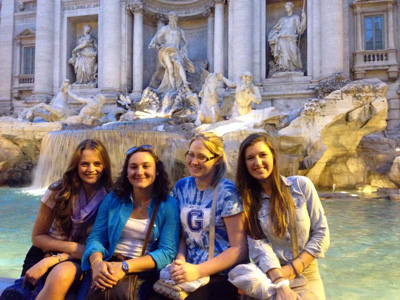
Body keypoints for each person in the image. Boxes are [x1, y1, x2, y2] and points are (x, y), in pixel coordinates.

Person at [2, 139, 112, 300]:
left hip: (81, 260)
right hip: (43, 254)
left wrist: (58, 258)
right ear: (76, 165)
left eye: (97, 163)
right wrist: (73, 248)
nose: (91, 169)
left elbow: (104, 245)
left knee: (62, 275)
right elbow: (37, 236)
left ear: (105, 166)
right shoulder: (59, 191)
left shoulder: (111, 198)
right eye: (84, 164)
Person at [149, 132, 247, 300]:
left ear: (216, 159)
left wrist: (198, 271)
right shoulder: (182, 187)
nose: (194, 162)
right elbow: (183, 236)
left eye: (202, 157)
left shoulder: (227, 192)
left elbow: (239, 248)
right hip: (188, 269)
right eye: (191, 155)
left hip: (220, 273)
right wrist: (179, 261)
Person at [236, 133, 329, 300]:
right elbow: (258, 244)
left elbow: (321, 233)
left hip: (307, 272)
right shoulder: (247, 200)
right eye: (250, 158)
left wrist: (292, 269)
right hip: (270, 274)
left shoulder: (301, 186)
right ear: (244, 164)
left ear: (273, 156)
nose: (257, 162)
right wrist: (279, 280)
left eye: (262, 155)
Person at [82, 145, 180, 300]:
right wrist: (96, 264)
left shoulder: (168, 205)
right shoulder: (114, 199)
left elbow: (167, 252)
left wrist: (125, 267)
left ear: (157, 170)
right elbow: (96, 237)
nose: (139, 172)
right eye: (133, 167)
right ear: (127, 172)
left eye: (146, 166)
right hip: (107, 265)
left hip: (142, 271)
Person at [148, 11, 195, 93]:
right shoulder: (165, 29)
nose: (171, 19)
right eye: (170, 18)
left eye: (173, 18)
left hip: (176, 51)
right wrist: (151, 43)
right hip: (166, 50)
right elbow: (156, 36)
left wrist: (184, 48)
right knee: (170, 68)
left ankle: (185, 82)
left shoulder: (180, 31)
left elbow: (186, 42)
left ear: (176, 19)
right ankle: (173, 87)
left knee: (179, 64)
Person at [268, 2, 306, 73]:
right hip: (281, 39)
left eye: (288, 7)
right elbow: (275, 29)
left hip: (291, 39)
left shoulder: (295, 17)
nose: (286, 9)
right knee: (283, 55)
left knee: (294, 53)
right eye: (285, 8)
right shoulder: (282, 19)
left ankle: (295, 68)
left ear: (291, 7)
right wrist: (273, 36)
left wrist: (304, 18)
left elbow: (299, 30)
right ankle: (283, 69)